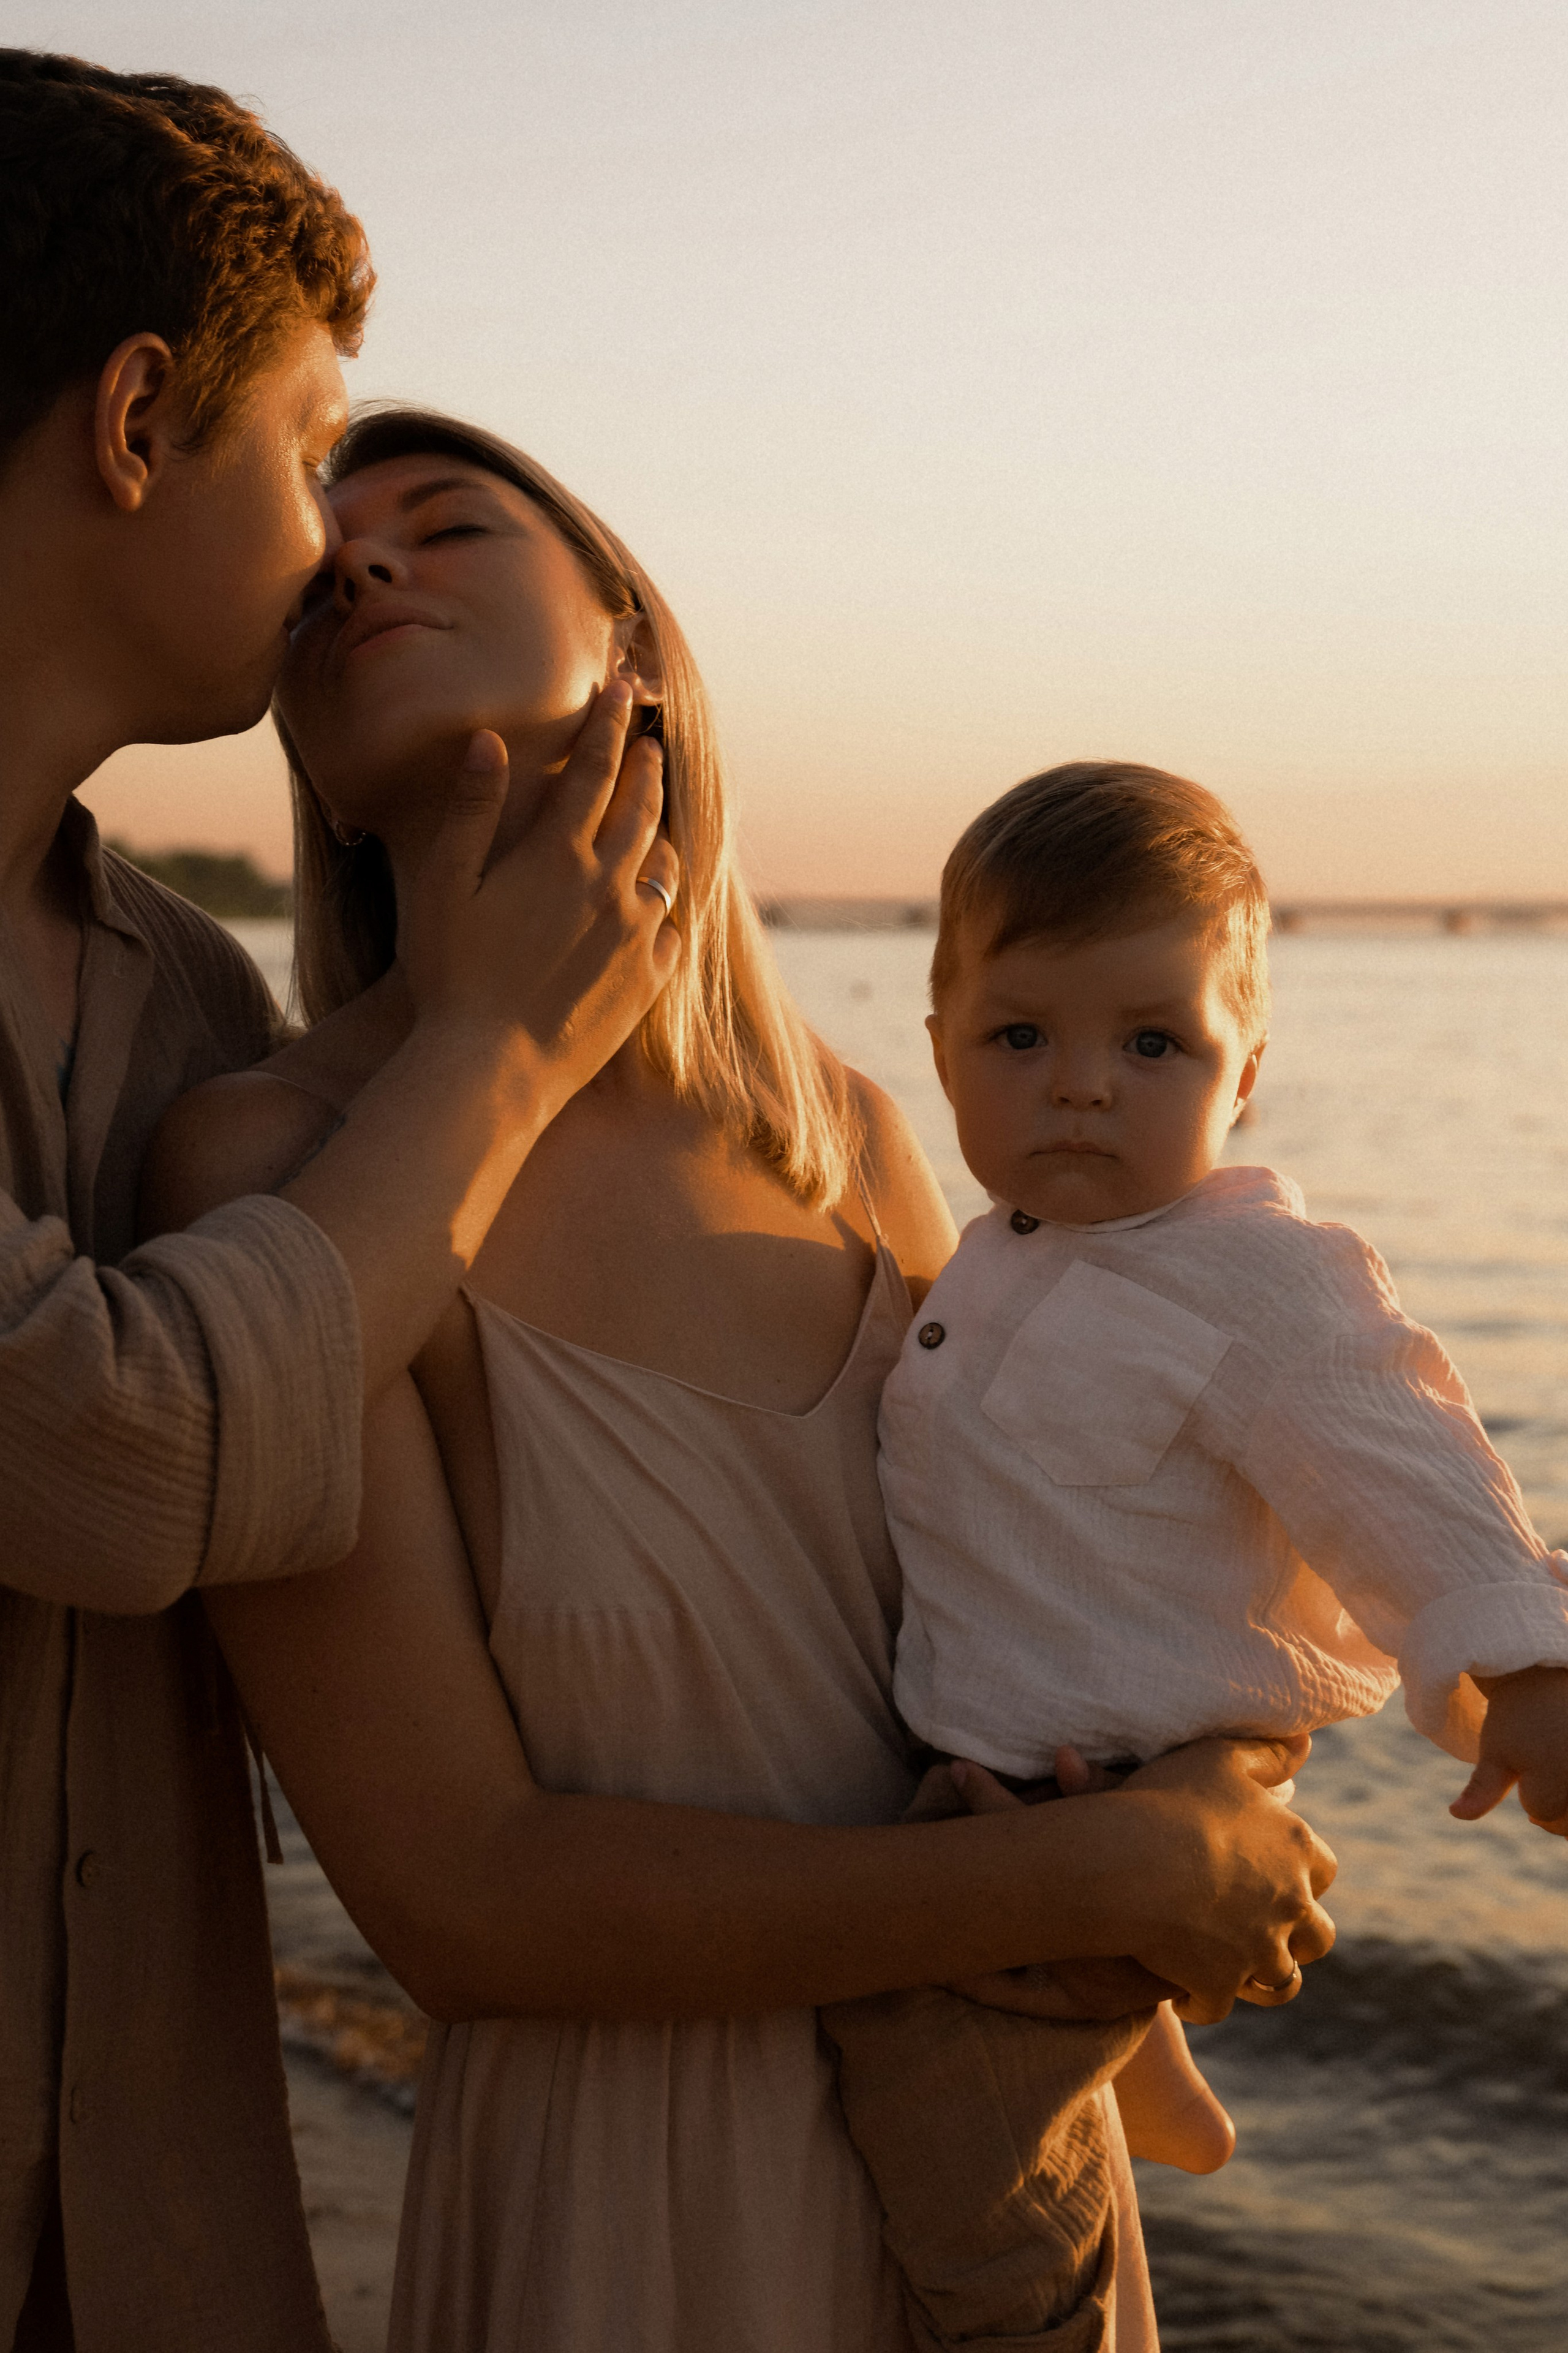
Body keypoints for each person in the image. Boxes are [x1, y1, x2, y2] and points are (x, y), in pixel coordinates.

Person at [145, 412, 1338, 2353]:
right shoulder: (268, 1168)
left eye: (441, 526)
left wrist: (1212, 1782)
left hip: (989, 2162)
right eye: (323, 567)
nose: (363, 566)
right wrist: (1088, 1870)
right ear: (314, 771)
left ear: (629, 647)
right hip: (627, 2214)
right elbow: (464, 1900)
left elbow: (1075, 1597)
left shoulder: (851, 1137)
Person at [0, 55, 677, 2352]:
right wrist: (490, 1051)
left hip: (160, 2232)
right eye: (307, 455)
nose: (332, 551)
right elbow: (120, 1456)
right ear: (132, 421)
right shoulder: (278, 1109)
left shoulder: (187, 1002)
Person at [825, 760, 1568, 2352]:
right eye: (1023, 1038)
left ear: (1249, 1076)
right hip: (1018, 1768)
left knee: (933, 2110)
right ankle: (1145, 2057)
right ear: (942, 1046)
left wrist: (1523, 1667)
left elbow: (1403, 1456)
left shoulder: (1254, 1277)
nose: (1082, 1085)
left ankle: (1038, 2313)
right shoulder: (1011, 1247)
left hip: (1111, 1794)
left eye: (1152, 1042)